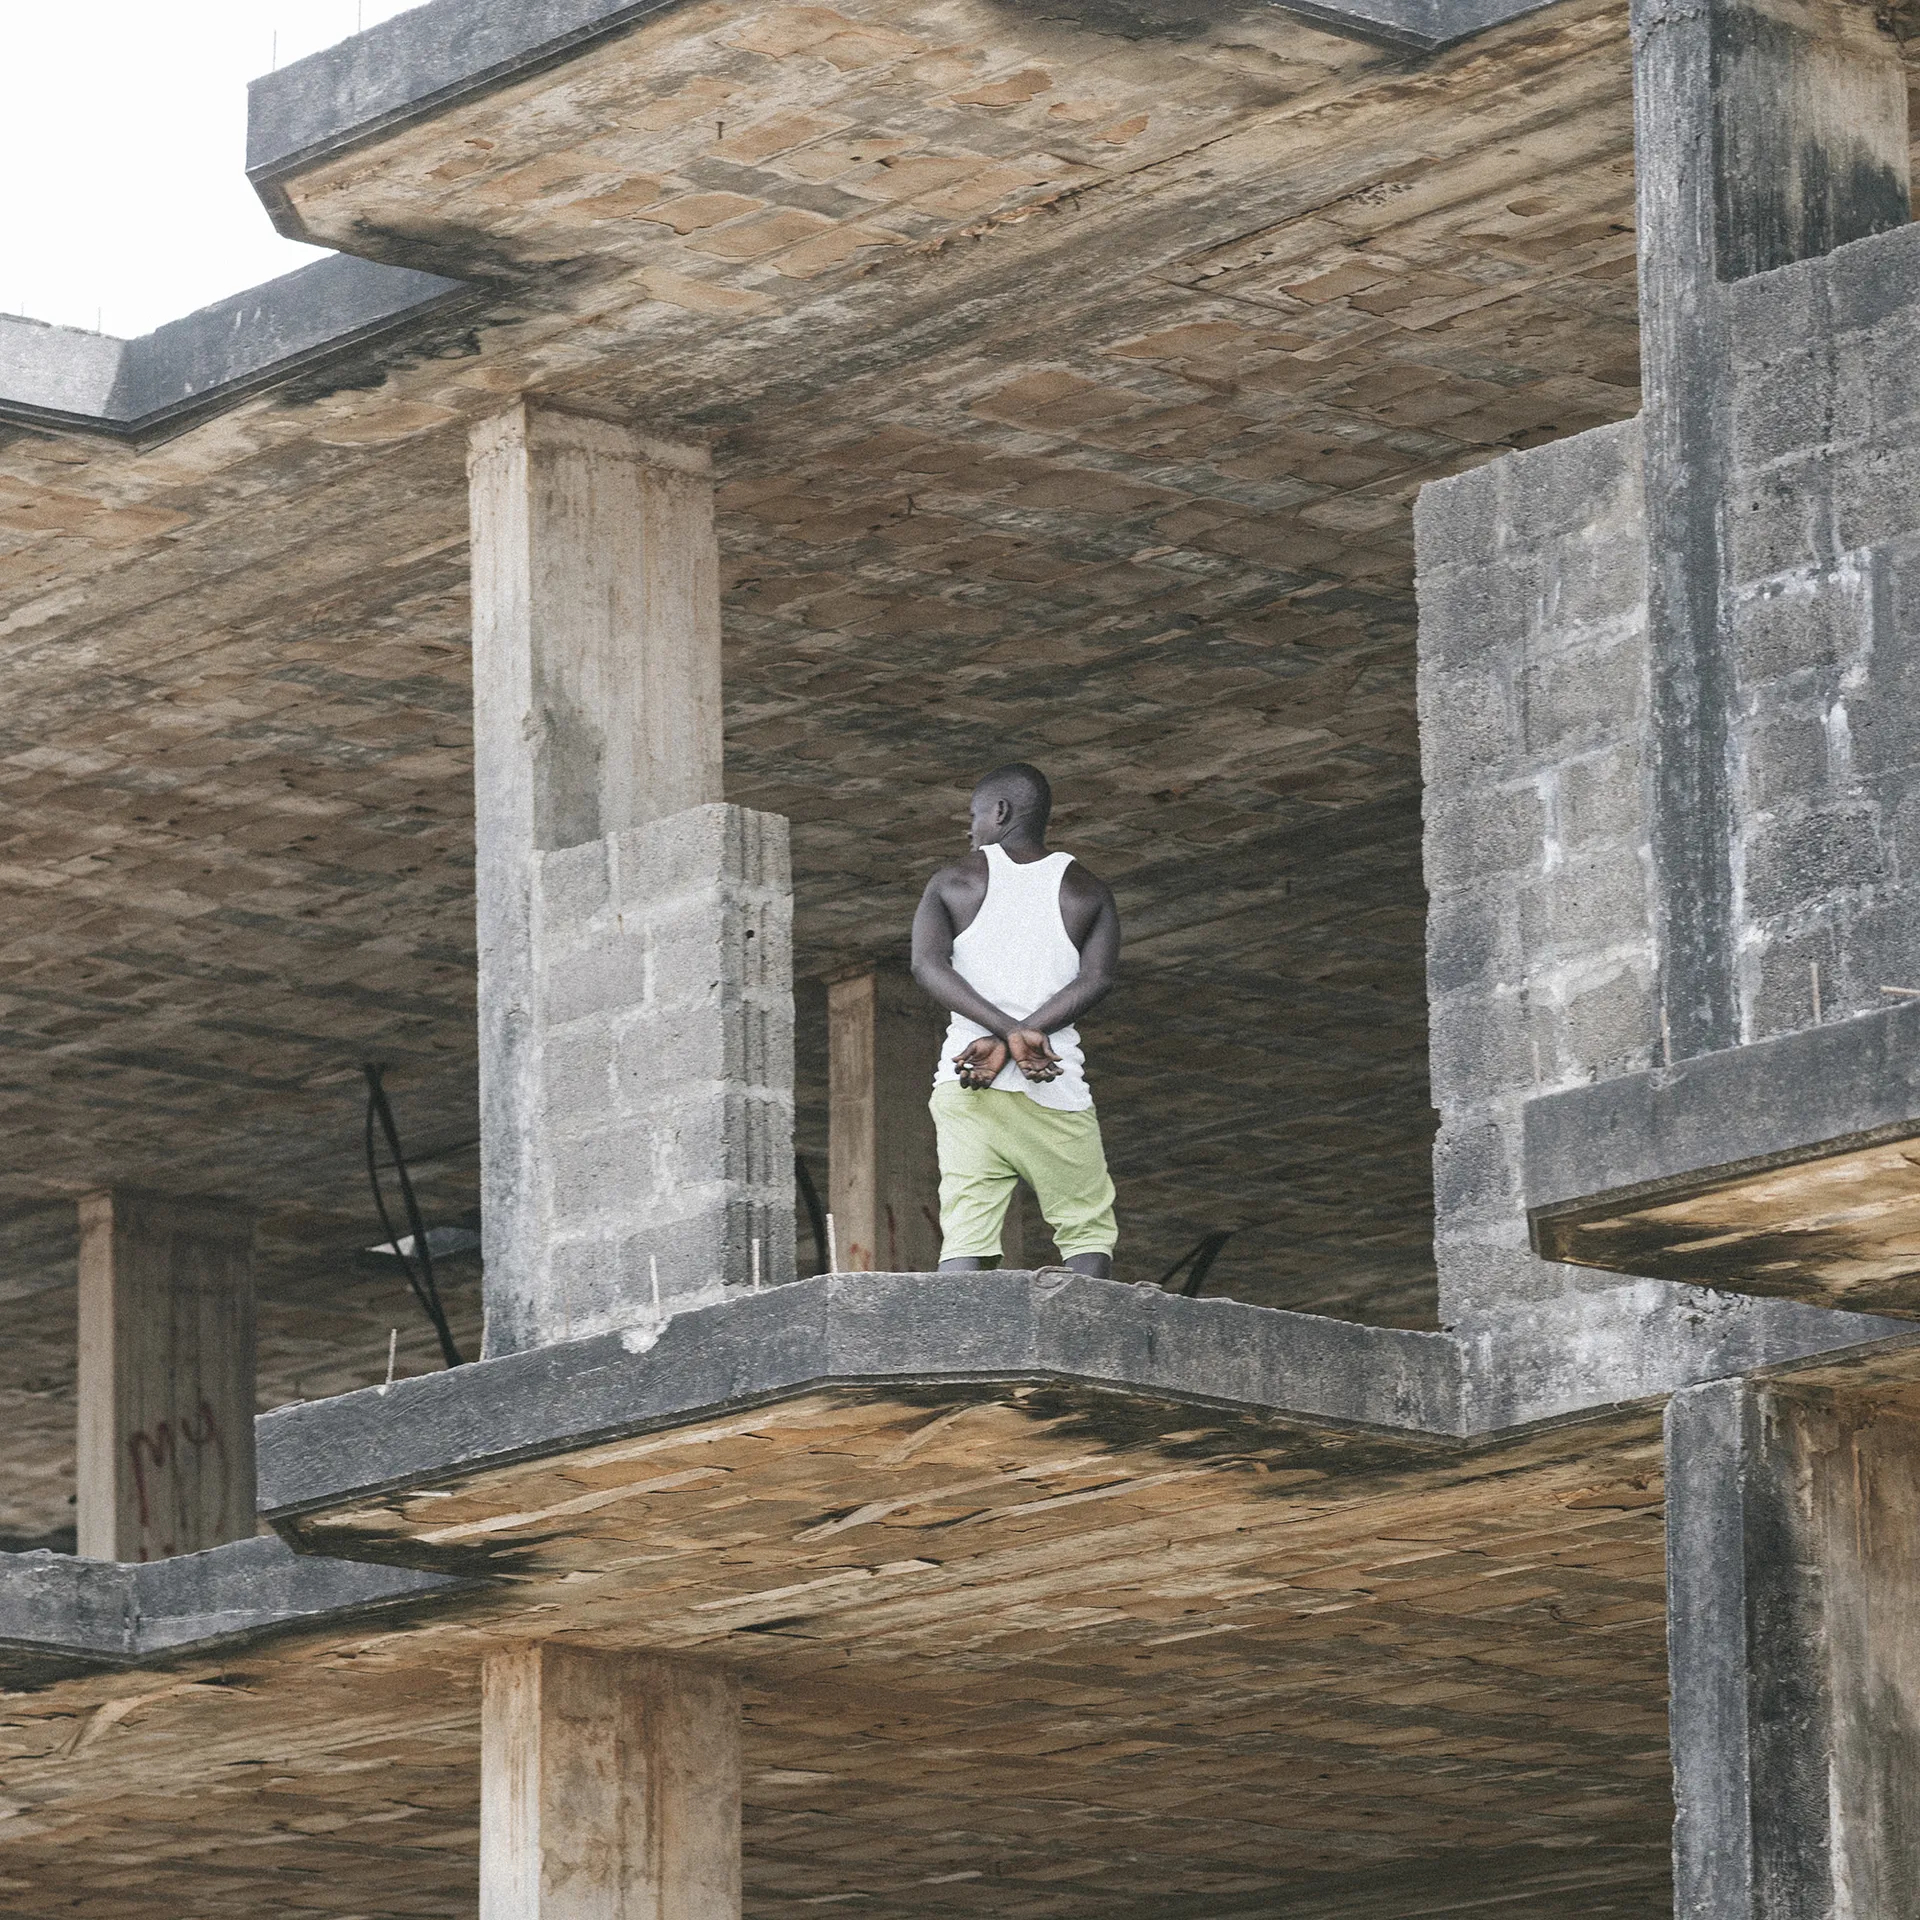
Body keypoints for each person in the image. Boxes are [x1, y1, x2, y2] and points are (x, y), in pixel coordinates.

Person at [910, 763, 1120, 1277]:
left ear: (1000, 812)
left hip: (967, 1082)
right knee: (1086, 1230)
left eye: (974, 816)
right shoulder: (1088, 892)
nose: (970, 829)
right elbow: (1095, 980)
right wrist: (1022, 1035)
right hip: (1053, 1084)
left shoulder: (953, 882)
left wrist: (1001, 1036)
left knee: (966, 1238)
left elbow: (926, 965)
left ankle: (954, 1346)